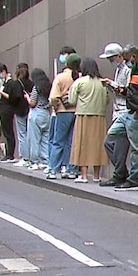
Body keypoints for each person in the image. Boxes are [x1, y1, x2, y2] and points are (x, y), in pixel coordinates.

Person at [114, 44, 138, 191]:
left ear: (134, 57)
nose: (126, 63)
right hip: (130, 112)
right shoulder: (134, 70)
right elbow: (133, 92)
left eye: (127, 59)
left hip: (137, 114)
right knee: (111, 138)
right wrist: (122, 90)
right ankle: (124, 173)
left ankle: (132, 179)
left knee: (137, 148)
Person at [68, 58, 109, 183]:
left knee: (82, 144)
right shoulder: (103, 83)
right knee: (97, 145)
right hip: (99, 116)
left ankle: (84, 176)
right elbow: (107, 101)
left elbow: (71, 100)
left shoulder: (80, 82)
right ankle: (96, 176)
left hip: (83, 115)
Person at [98, 42, 132, 187]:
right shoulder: (118, 70)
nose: (111, 62)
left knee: (112, 141)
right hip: (118, 110)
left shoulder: (127, 70)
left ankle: (120, 173)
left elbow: (127, 90)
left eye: (112, 59)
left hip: (124, 111)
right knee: (118, 144)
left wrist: (111, 84)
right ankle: (120, 172)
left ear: (119, 56)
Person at [48, 50, 81, 179]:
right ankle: (71, 169)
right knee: (71, 142)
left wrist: (57, 108)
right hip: (77, 111)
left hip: (63, 111)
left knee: (58, 141)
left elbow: (54, 97)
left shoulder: (61, 77)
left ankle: (53, 169)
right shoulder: (80, 77)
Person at [26, 68, 53, 170]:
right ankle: (45, 161)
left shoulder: (36, 88)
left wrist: (27, 98)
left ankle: (34, 162)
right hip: (46, 114)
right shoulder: (49, 87)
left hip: (36, 113)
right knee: (45, 139)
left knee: (35, 139)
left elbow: (32, 103)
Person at [13, 62, 34, 166]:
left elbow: (15, 97)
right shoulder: (31, 83)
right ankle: (31, 157)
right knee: (30, 133)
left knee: (22, 134)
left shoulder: (17, 83)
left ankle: (24, 158)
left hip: (20, 111)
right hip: (30, 109)